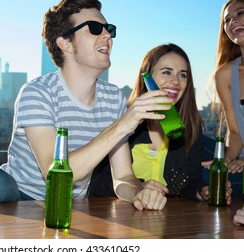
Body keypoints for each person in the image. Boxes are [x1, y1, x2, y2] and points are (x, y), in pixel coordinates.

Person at [0, 0, 173, 210]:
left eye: (108, 28)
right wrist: (122, 124)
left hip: (67, 207)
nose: (107, 35)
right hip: (17, 198)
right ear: (65, 43)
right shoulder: (37, 92)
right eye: (94, 28)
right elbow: (55, 171)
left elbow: (122, 178)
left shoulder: (113, 98)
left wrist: (138, 193)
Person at [89, 43, 232, 203]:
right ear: (147, 77)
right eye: (166, 72)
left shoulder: (190, 126)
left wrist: (203, 191)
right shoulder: (122, 121)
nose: (176, 81)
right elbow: (96, 183)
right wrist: (138, 188)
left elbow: (190, 181)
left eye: (182, 75)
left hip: (165, 218)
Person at [210, 0, 244, 173]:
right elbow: (236, 133)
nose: (233, 21)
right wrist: (225, 162)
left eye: (240, 13)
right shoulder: (224, 75)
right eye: (227, 20)